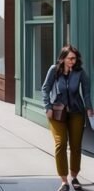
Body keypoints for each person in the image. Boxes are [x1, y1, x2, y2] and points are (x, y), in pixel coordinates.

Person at [41, 45, 94, 191]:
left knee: (76, 146)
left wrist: (89, 108)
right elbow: (45, 88)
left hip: (76, 112)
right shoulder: (54, 70)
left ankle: (74, 177)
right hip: (57, 112)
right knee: (61, 144)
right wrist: (47, 107)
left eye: (74, 58)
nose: (72, 61)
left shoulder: (80, 72)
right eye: (70, 58)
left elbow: (87, 92)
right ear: (63, 58)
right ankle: (64, 181)